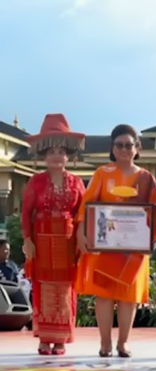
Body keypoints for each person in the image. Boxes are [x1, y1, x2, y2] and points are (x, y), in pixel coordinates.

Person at [76, 124, 156, 358]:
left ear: (137, 148)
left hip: (133, 248)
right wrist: (81, 233)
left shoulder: (146, 178)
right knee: (104, 296)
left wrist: (150, 236)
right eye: (119, 145)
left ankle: (123, 343)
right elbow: (86, 205)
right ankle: (105, 343)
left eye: (129, 145)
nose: (124, 149)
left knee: (128, 297)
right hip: (104, 245)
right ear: (112, 149)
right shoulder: (102, 174)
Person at [21, 114, 86, 355]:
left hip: (68, 243)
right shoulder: (34, 182)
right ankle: (44, 337)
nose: (56, 156)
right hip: (41, 241)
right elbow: (26, 214)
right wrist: (27, 240)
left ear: (69, 155)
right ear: (43, 156)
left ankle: (61, 338)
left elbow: (82, 214)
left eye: (61, 151)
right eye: (51, 152)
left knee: (66, 288)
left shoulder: (77, 183)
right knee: (43, 287)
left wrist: (81, 238)